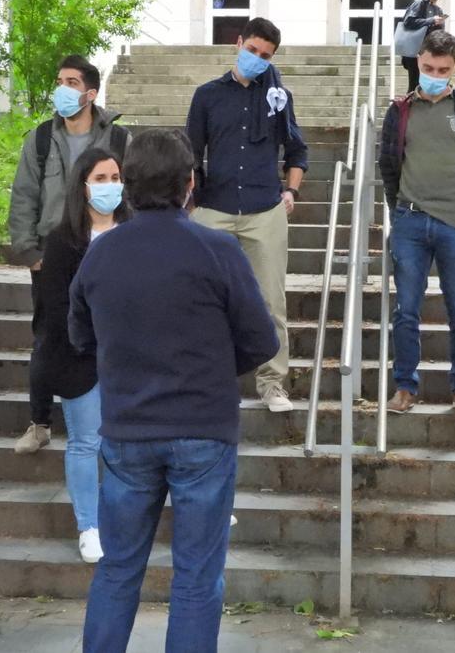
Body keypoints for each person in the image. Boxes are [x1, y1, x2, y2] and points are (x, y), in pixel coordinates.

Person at [72, 128, 278, 653]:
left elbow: (79, 336)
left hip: (127, 430)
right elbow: (261, 339)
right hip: (203, 429)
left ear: (129, 186)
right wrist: (209, 369)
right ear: (190, 184)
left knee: (118, 570)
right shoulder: (218, 250)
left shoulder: (100, 255)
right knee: (196, 576)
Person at [8, 55, 132, 454]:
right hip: (52, 256)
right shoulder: (41, 138)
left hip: (107, 251)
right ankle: (39, 421)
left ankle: (113, 416)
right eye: (59, 80)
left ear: (91, 93)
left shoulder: (118, 139)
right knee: (47, 338)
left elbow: (132, 195)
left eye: (72, 81)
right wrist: (29, 251)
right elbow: (24, 194)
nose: (62, 88)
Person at [185, 16, 307, 413]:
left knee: (271, 300)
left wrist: (290, 190)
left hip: (264, 209)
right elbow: (191, 153)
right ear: (238, 44)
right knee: (200, 299)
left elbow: (297, 149)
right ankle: (202, 380)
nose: (257, 59)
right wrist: (192, 201)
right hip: (213, 208)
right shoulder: (206, 95)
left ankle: (273, 383)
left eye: (265, 55)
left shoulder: (278, 96)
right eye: (252, 50)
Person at [378, 30, 455, 418]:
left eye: (443, 69)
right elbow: (388, 165)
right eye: (429, 67)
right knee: (406, 309)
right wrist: (399, 207)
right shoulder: (399, 111)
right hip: (411, 221)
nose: (434, 74)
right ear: (418, 62)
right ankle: (404, 387)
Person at [22, 147, 131, 563]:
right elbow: (56, 305)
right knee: (86, 442)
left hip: (130, 358)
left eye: (115, 177)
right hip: (79, 356)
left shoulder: (134, 231)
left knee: (128, 444)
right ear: (82, 186)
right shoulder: (63, 240)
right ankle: (89, 525)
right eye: (100, 179)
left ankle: (125, 520)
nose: (110, 186)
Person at [400, 0, 448, 94]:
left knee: (426, 86)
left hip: (429, 52)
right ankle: (408, 110)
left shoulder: (438, 9)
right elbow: (409, 21)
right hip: (415, 50)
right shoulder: (420, 2)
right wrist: (431, 20)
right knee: (414, 84)